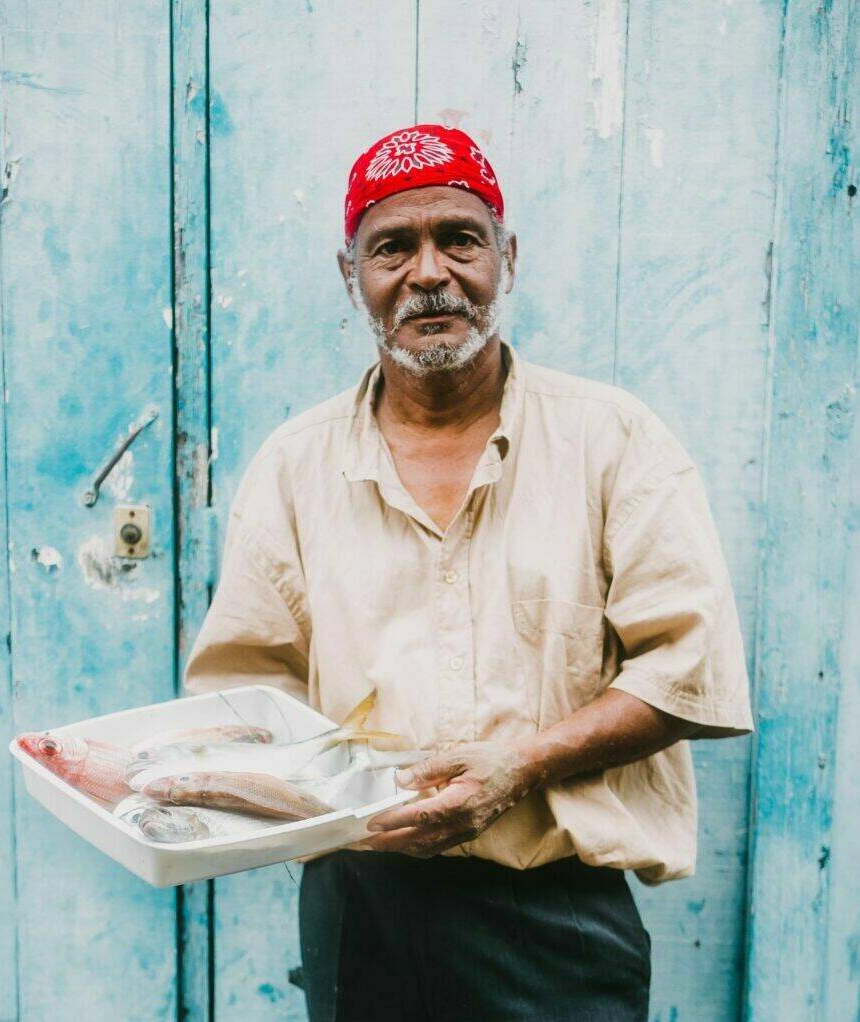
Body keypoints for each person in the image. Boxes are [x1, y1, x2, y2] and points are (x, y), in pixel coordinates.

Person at [183, 123, 754, 1021]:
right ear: (352, 276)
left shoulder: (610, 440)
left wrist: (516, 767)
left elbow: (690, 675)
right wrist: (327, 799)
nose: (428, 273)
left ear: (505, 258)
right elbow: (243, 691)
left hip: (556, 913)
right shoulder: (294, 465)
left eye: (458, 238)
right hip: (359, 905)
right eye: (391, 247)